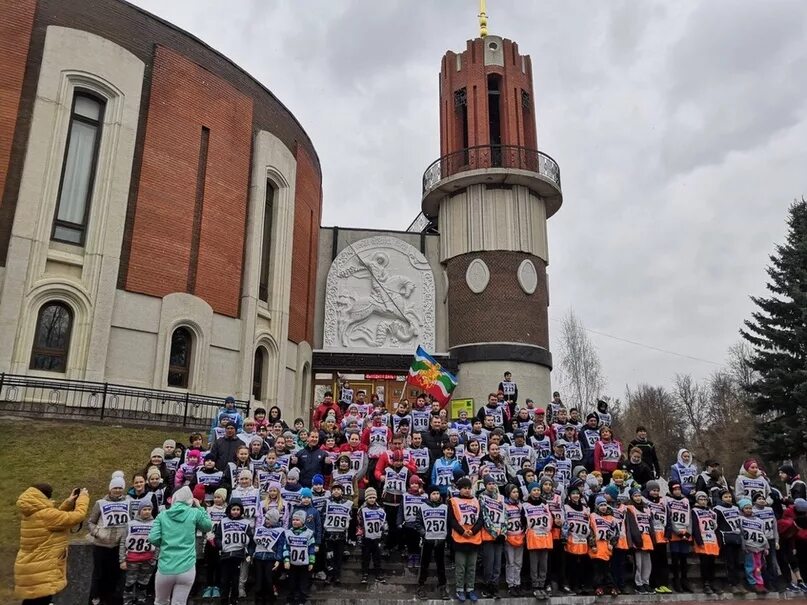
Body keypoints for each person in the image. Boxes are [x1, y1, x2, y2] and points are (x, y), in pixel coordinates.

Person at [14, 483, 89, 604]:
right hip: (42, 568)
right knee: (40, 601)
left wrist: (69, 502)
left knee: (32, 600)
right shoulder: (46, 515)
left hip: (31, 565)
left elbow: (54, 520)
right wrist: (83, 498)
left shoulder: (31, 512)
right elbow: (77, 516)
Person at [148, 485, 213, 605]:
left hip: (165, 567)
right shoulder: (194, 513)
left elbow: (153, 538)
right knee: (179, 603)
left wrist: (165, 544)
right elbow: (208, 526)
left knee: (160, 601)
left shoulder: (162, 515)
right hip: (187, 567)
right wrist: (200, 508)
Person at [88, 471, 130, 605]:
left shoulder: (128, 502)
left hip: (118, 545)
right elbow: (91, 522)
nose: (117, 490)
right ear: (110, 489)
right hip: (101, 544)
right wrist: (97, 532)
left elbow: (130, 520)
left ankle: (111, 598)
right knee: (99, 573)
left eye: (120, 488)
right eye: (115, 488)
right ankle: (95, 596)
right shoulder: (100, 503)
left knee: (115, 574)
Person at [449, 477, 484, 602]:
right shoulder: (453, 501)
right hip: (460, 538)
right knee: (461, 566)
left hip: (474, 538)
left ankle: (470, 588)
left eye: (469, 488)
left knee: (471, 566)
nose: (467, 490)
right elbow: (452, 519)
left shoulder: (476, 501)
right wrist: (462, 531)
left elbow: (480, 519)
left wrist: (473, 531)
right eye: (464, 488)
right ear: (459, 489)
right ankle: (459, 589)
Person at [415, 484, 450, 599]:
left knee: (441, 565)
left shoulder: (445, 507)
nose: (436, 496)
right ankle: (421, 586)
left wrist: (447, 536)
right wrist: (423, 533)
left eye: (437, 493)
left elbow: (449, 523)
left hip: (440, 540)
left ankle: (443, 587)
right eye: (433, 494)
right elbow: (418, 523)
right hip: (428, 540)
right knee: (424, 564)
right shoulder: (423, 506)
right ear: (429, 495)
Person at [119, 499, 157, 605]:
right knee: (129, 583)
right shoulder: (130, 524)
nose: (147, 511)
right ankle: (127, 601)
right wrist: (122, 560)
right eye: (144, 509)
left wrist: (155, 558)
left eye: (149, 509)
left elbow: (159, 543)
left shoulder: (155, 524)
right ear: (139, 510)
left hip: (148, 559)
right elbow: (123, 543)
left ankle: (141, 600)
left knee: (143, 583)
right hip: (132, 560)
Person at [479, 475, 507, 598]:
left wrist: (503, 533)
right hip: (488, 535)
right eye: (489, 483)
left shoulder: (501, 498)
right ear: (485, 485)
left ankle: (494, 587)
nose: (491, 485)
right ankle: (487, 586)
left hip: (499, 535)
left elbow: (505, 516)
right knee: (489, 563)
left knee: (497, 564)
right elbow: (484, 517)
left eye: (493, 483)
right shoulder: (482, 497)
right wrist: (494, 533)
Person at [253, 507, 285, 605]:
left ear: (274, 520)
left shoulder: (280, 531)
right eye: (266, 518)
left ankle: (269, 599)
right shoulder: (259, 529)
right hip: (258, 558)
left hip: (271, 558)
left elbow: (280, 546)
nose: (266, 521)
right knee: (259, 580)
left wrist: (278, 559)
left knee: (268, 579)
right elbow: (254, 543)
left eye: (269, 519)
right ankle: (259, 599)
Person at [284, 509, 317, 605]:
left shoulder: (309, 533)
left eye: (297, 520)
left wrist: (311, 562)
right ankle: (291, 598)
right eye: (293, 520)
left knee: (303, 583)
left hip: (304, 563)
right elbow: (285, 547)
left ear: (302, 521)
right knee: (291, 582)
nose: (295, 521)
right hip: (292, 563)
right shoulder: (288, 533)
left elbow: (311, 548)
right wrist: (286, 559)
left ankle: (302, 599)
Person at [589, 495, 619, 597]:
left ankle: (611, 587)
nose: (603, 507)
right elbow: (591, 531)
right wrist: (592, 544)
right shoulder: (592, 516)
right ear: (597, 506)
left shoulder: (611, 518)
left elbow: (615, 533)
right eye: (601, 505)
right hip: (596, 547)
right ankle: (598, 587)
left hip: (607, 547)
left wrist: (612, 544)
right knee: (598, 570)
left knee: (607, 570)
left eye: (605, 505)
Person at [691, 491, 719, 594]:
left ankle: (712, 582)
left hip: (712, 540)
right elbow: (695, 527)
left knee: (712, 563)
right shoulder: (694, 511)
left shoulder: (711, 512)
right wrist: (698, 540)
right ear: (697, 500)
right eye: (701, 499)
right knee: (705, 563)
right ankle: (706, 583)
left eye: (705, 499)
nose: (703, 501)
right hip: (703, 540)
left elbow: (716, 526)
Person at [739, 498, 769, 593]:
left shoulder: (760, 521)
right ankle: (752, 583)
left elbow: (763, 534)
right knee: (750, 566)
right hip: (749, 547)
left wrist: (766, 547)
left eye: (750, 508)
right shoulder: (741, 519)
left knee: (758, 566)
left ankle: (760, 583)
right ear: (742, 509)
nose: (748, 510)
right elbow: (741, 535)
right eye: (746, 508)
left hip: (759, 547)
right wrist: (744, 546)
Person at [357, 487, 387, 583]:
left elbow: (384, 523)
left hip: (377, 537)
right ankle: (364, 574)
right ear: (366, 498)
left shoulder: (380, 510)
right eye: (370, 497)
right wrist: (359, 537)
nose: (372, 499)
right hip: (366, 538)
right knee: (365, 557)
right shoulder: (362, 510)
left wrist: (384, 535)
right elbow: (359, 524)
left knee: (377, 557)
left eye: (374, 497)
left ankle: (378, 574)